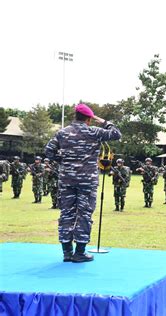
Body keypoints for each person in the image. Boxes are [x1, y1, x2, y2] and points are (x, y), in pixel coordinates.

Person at [44, 103, 121, 263]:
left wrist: (64, 161)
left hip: (67, 179)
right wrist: (104, 121)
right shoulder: (94, 131)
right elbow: (116, 134)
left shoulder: (62, 133)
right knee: (84, 215)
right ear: (88, 119)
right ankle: (80, 252)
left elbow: (48, 151)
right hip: (87, 180)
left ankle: (66, 253)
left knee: (66, 214)